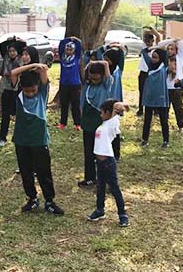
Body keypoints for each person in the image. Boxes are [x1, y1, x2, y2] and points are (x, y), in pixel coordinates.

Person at [10, 63, 64, 215]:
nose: (30, 94)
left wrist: (37, 68)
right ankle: (32, 198)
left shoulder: (42, 94)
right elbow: (13, 73)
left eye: (32, 90)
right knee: (25, 171)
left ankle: (49, 201)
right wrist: (30, 66)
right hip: (21, 140)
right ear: (21, 88)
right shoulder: (19, 95)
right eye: (27, 91)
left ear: (37, 87)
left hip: (39, 140)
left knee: (43, 171)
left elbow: (43, 70)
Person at [87, 99, 129, 227]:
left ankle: (122, 215)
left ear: (109, 113)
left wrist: (117, 107)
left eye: (102, 112)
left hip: (108, 162)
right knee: (100, 187)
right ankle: (100, 210)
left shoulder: (112, 123)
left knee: (114, 188)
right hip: (99, 163)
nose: (100, 115)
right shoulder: (104, 125)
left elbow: (120, 107)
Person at [78, 61, 114, 188]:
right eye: (91, 76)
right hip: (87, 123)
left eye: (96, 77)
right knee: (88, 152)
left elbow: (105, 65)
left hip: (100, 124)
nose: (93, 79)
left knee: (101, 153)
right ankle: (90, 178)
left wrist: (98, 62)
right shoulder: (87, 86)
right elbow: (82, 103)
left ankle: (105, 179)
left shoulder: (105, 85)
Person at [140, 47, 170, 148]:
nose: (153, 59)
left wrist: (158, 47)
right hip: (149, 97)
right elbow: (144, 52)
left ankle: (166, 141)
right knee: (147, 120)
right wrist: (151, 48)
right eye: (152, 57)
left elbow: (165, 52)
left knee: (163, 120)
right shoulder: (150, 65)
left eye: (156, 57)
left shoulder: (164, 66)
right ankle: (145, 139)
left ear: (161, 58)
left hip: (161, 98)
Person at [0, 37, 24, 146]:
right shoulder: (6, 57)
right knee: (5, 114)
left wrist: (18, 40)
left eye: (14, 51)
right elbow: (2, 46)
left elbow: (24, 45)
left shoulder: (20, 59)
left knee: (18, 113)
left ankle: (18, 136)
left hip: (17, 88)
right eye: (10, 51)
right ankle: (2, 137)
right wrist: (9, 40)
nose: (12, 53)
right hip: (6, 88)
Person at [161, 38, 183, 133]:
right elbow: (160, 44)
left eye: (172, 49)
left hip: (176, 87)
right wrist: (170, 40)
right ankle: (165, 125)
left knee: (178, 108)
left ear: (176, 50)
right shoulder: (164, 60)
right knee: (165, 108)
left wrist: (174, 40)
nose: (170, 51)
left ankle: (180, 126)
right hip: (166, 87)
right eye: (168, 49)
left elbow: (181, 42)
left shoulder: (180, 58)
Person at [57, 37, 83, 130]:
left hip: (75, 84)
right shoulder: (62, 57)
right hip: (64, 84)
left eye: (70, 49)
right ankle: (63, 123)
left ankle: (78, 124)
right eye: (67, 49)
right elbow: (61, 44)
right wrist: (68, 39)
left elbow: (79, 45)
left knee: (75, 105)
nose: (69, 51)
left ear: (73, 50)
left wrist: (75, 40)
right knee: (64, 104)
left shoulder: (76, 57)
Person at [137, 26, 161, 116]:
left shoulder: (156, 48)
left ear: (152, 41)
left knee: (153, 91)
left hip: (153, 73)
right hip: (143, 72)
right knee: (142, 91)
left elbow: (158, 36)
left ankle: (155, 110)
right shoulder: (143, 47)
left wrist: (154, 30)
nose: (147, 42)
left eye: (149, 40)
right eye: (146, 40)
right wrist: (153, 30)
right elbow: (145, 33)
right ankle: (140, 109)